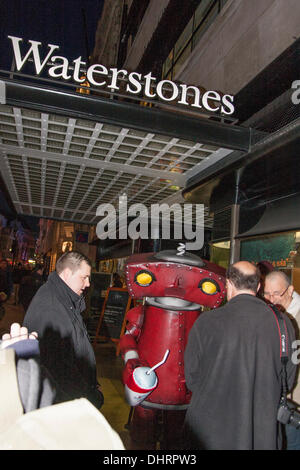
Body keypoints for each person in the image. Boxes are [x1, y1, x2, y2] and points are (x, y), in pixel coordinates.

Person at [184, 261, 297, 450]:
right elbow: (287, 380)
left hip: (210, 430)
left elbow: (192, 379)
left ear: (228, 284)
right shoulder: (283, 323)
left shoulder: (206, 322)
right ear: (259, 287)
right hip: (261, 431)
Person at [23, 251, 104, 410]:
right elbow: (60, 369)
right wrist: (90, 397)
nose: (87, 284)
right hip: (65, 403)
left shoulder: (62, 298)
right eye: (83, 277)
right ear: (67, 274)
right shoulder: (51, 309)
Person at [264, 270, 300, 450]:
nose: (271, 299)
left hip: (295, 406)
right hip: (272, 403)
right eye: (267, 293)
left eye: (277, 293)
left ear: (291, 290)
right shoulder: (266, 317)